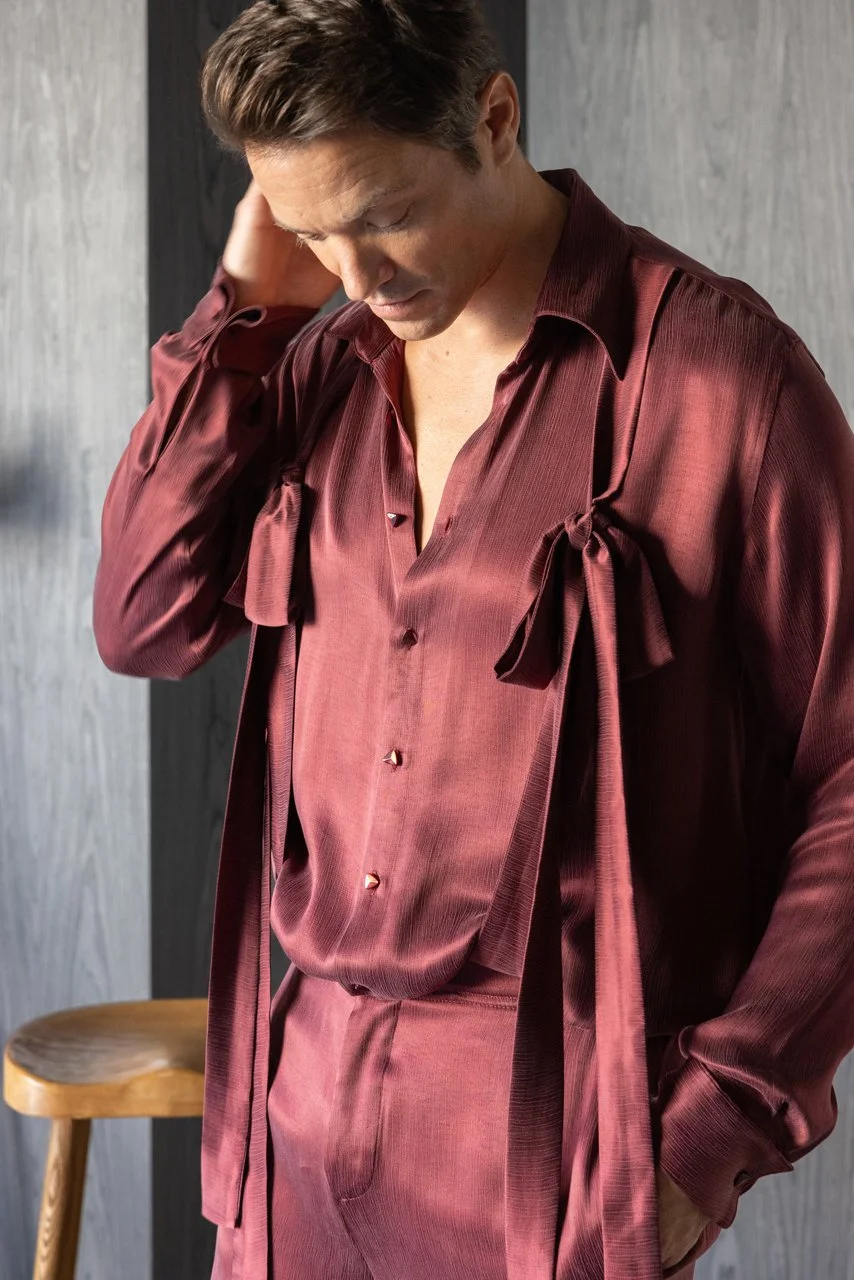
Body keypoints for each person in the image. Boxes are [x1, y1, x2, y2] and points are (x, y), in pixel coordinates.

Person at [92, 2, 854, 1278]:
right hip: (298, 1115)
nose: (355, 278)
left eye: (383, 213)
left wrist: (707, 1131)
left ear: (494, 118)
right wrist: (244, 311)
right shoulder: (318, 367)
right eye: (312, 231)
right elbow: (143, 619)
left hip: (550, 1148)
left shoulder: (721, 383)